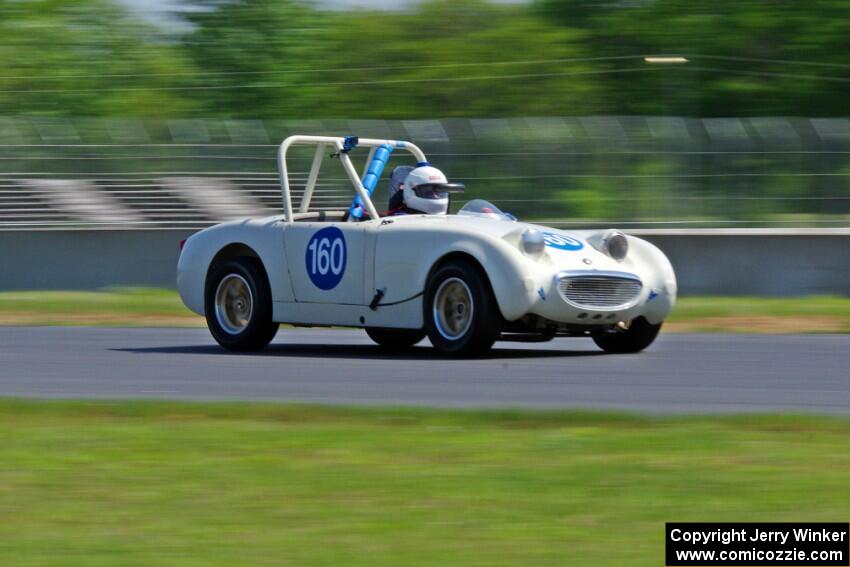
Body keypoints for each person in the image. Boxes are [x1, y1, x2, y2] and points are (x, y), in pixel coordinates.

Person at [385, 164, 464, 216]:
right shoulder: (400, 220)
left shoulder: (448, 220)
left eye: (439, 192)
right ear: (409, 192)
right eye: (428, 192)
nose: (435, 195)